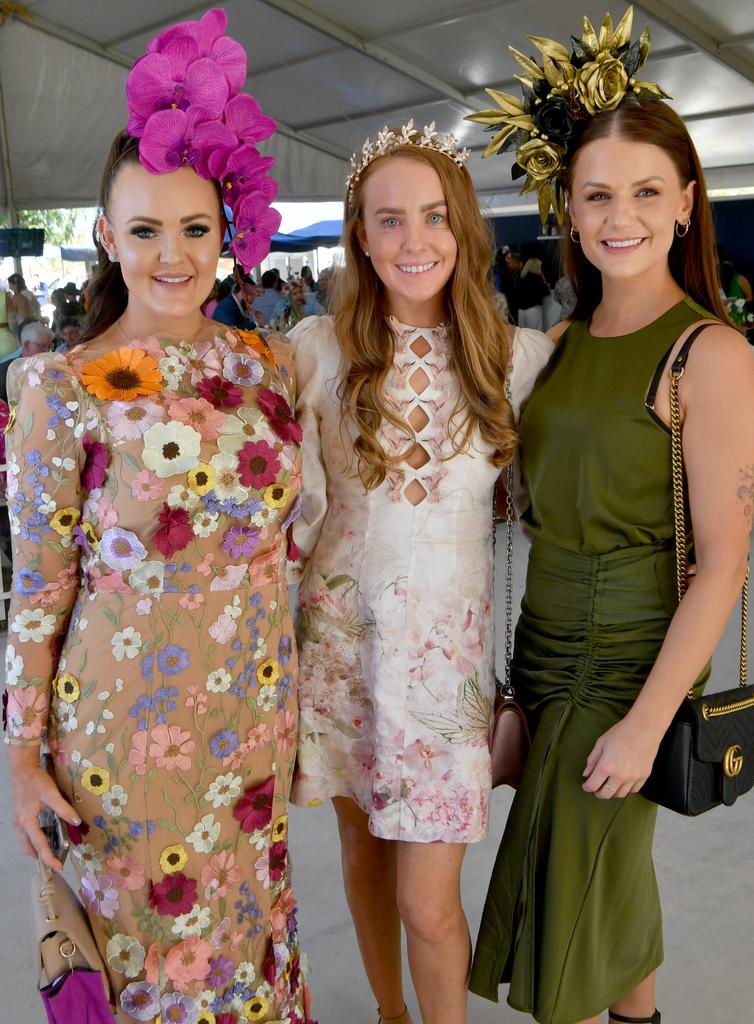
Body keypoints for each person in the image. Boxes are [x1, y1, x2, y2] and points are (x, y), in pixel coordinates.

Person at [4, 10, 314, 1024]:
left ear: (228, 231)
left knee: (248, 945)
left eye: (194, 228)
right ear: (105, 235)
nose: (172, 255)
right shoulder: (64, 385)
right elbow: (39, 583)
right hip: (128, 738)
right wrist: (19, 754)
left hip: (255, 716)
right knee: (155, 964)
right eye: (144, 230)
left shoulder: (264, 365)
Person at [465, 10, 754, 1024]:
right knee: (604, 893)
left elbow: (723, 565)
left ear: (686, 202)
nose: (620, 214)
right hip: (541, 647)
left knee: (569, 909)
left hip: (627, 658)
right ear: (568, 208)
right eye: (597, 194)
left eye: (646, 191)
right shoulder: (561, 341)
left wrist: (646, 721)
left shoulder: (710, 355)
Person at [287, 119, 553, 1024]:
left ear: (464, 226)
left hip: (444, 680)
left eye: (433, 216)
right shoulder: (316, 351)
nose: (414, 240)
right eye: (388, 218)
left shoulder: (515, 361)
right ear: (360, 233)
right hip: (341, 663)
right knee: (362, 861)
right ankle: (392, 1016)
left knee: (428, 904)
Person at [0, 320, 54, 404]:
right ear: (27, 345)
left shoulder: (51, 369)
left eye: (49, 347)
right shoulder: (5, 371)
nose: (46, 351)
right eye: (42, 346)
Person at [516, 257, 550, 330]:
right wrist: (543, 279)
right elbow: (546, 292)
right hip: (533, 310)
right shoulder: (537, 278)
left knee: (523, 335)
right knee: (536, 334)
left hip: (521, 311)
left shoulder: (521, 278)